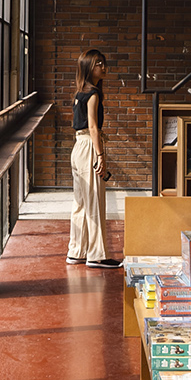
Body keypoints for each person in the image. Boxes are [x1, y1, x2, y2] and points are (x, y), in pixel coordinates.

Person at [67, 48, 118, 267]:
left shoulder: (80, 93)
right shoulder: (93, 94)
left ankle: (76, 251)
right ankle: (97, 255)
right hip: (88, 146)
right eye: (99, 64)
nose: (103, 67)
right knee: (95, 201)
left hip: (78, 146)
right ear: (89, 67)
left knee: (80, 203)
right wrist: (101, 156)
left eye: (104, 63)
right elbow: (93, 127)